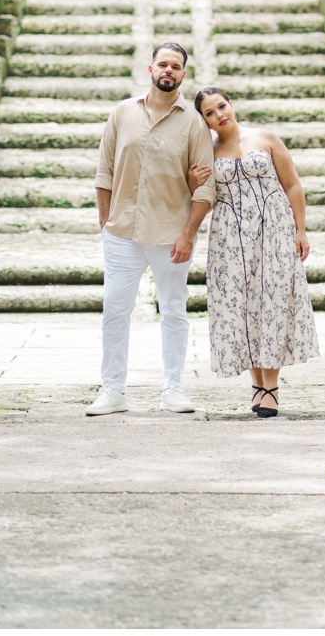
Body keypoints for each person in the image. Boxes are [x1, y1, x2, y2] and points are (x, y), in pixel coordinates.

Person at [87, 42, 215, 416]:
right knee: (115, 309)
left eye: (176, 66)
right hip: (122, 231)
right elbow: (104, 170)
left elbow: (206, 186)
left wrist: (189, 233)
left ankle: (173, 389)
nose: (168, 70)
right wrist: (106, 220)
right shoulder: (123, 112)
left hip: (172, 234)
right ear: (150, 68)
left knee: (173, 310)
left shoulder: (193, 123)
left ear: (183, 75)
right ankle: (113, 390)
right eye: (163, 64)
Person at [191, 86, 320, 417]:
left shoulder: (265, 138)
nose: (219, 114)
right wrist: (193, 181)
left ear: (231, 105)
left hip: (274, 229)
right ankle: (257, 384)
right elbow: (202, 196)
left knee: (273, 302)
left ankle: (271, 387)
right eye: (210, 112)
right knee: (241, 305)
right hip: (229, 236)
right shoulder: (206, 152)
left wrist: (300, 229)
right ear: (203, 120)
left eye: (222, 106)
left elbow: (292, 184)